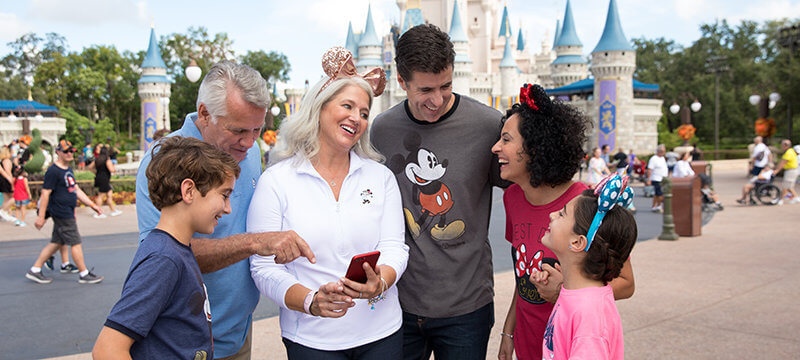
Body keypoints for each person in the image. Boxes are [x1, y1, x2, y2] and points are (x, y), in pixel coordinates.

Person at [135, 60, 315, 359]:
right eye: (238, 130)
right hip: (182, 342)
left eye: (257, 129)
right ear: (205, 113)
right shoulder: (161, 163)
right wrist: (255, 243)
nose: (248, 141)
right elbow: (162, 258)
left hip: (237, 333)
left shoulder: (250, 150)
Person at [249, 47, 408, 359]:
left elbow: (395, 247)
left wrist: (381, 282)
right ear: (319, 108)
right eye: (347, 106)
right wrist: (310, 301)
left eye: (364, 112)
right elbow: (263, 267)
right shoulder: (277, 181)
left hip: (382, 333)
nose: (357, 118)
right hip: (311, 339)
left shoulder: (381, 177)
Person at [370, 24, 509, 360]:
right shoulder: (382, 130)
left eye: (446, 86)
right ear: (402, 82)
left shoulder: (488, 125)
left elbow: (528, 191)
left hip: (466, 307)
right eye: (425, 90)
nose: (437, 99)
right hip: (397, 304)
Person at [491, 84, 634, 360]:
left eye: (506, 140)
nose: (496, 147)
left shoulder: (584, 205)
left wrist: (563, 291)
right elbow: (524, 276)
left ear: (535, 148)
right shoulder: (513, 199)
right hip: (528, 346)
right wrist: (509, 333)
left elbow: (626, 283)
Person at [93, 137, 238, 359]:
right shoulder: (163, 259)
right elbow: (108, 349)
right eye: (224, 195)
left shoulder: (176, 250)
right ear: (189, 191)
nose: (228, 208)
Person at [534, 176, 637, 359]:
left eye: (562, 213)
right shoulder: (576, 294)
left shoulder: (589, 314)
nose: (552, 214)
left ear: (577, 242)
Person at [25, 139, 104, 284]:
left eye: (71, 151)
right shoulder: (53, 171)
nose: (69, 154)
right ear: (58, 153)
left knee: (56, 242)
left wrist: (92, 205)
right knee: (75, 241)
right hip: (61, 212)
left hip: (67, 210)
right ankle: (83, 273)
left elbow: (76, 189)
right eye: (66, 151)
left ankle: (35, 269)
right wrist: (41, 216)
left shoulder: (67, 169)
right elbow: (45, 194)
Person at [88, 146, 121, 218]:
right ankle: (97, 213)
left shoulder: (97, 159)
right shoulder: (107, 160)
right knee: (101, 196)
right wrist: (114, 168)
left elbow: (90, 167)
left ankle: (113, 211)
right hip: (104, 179)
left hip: (99, 178)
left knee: (109, 194)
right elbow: (111, 169)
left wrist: (96, 172)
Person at [773, 139, 799, 205]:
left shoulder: (788, 153)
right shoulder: (790, 151)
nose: (781, 146)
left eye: (782, 145)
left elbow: (783, 163)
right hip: (792, 170)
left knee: (785, 185)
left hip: (791, 170)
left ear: (785, 145)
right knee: (788, 186)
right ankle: (795, 197)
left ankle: (780, 199)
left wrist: (776, 170)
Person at [647, 144, 668, 212]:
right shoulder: (654, 159)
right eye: (662, 151)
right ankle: (659, 206)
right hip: (656, 178)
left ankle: (654, 206)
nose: (663, 153)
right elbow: (650, 169)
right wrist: (649, 179)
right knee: (660, 194)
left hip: (662, 178)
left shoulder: (662, 158)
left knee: (656, 194)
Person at [0, 147, 16, 222]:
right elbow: (8, 172)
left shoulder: (3, 161)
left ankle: (5, 213)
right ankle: (3, 211)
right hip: (7, 180)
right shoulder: (7, 161)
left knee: (6, 199)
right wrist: (12, 183)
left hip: (3, 180)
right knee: (16, 197)